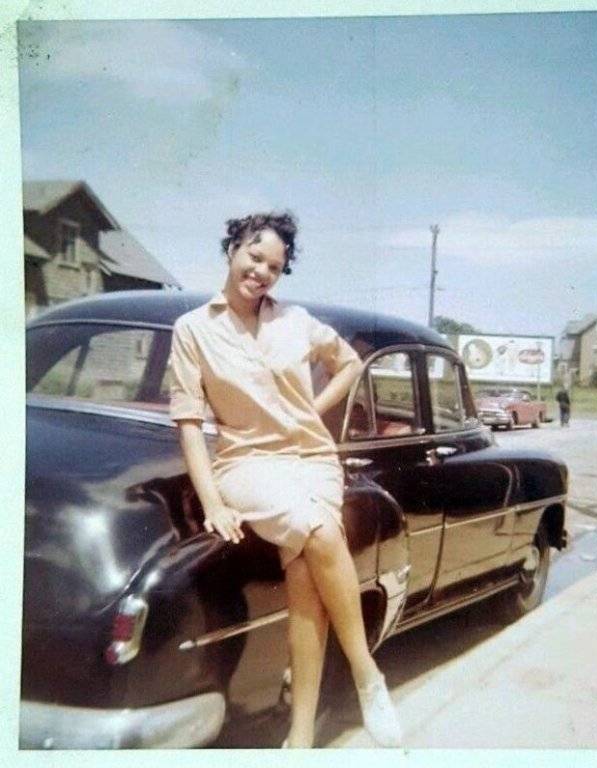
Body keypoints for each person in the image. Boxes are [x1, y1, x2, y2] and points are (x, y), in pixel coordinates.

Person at [168, 212, 402, 749]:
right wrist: (213, 504)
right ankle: (368, 675)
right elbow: (188, 424)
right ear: (232, 250)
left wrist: (311, 412)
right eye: (254, 257)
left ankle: (298, 742)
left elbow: (349, 363)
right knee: (319, 530)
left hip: (312, 458)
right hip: (246, 464)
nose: (262, 272)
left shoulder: (296, 321)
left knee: (305, 585)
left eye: (274, 266)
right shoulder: (193, 330)